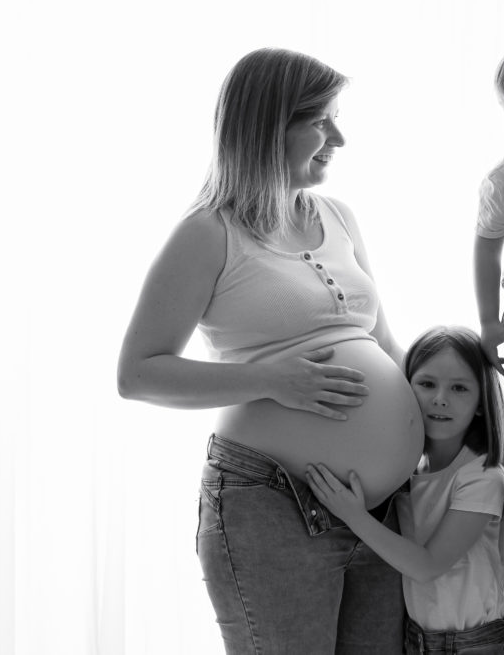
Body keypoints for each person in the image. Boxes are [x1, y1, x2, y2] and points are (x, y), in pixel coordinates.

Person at [116, 48, 424, 653]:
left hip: (381, 509)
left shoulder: (339, 217)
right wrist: (270, 380)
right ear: (268, 126)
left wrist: (454, 423)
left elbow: (382, 343)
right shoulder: (209, 232)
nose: (339, 136)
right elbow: (138, 374)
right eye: (321, 121)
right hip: (272, 505)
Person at [306, 326, 504, 655]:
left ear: (481, 403)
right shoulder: (409, 470)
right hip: (417, 640)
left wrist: (352, 514)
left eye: (459, 388)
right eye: (426, 384)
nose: (440, 398)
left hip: (475, 645)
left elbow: (427, 566)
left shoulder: (483, 476)